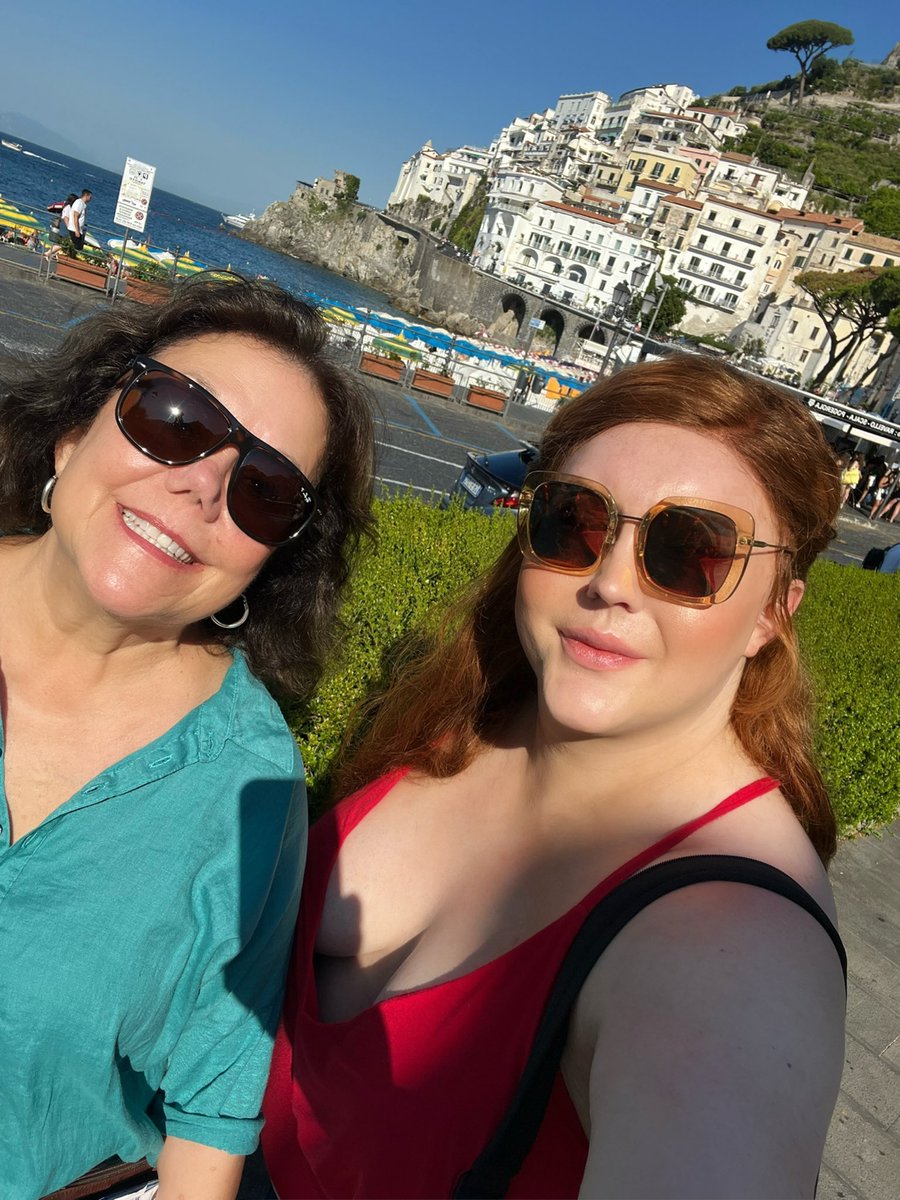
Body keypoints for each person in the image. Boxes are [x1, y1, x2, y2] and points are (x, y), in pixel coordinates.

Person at [262, 355, 847, 1199]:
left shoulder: (735, 955)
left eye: (691, 552)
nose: (609, 583)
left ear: (771, 614)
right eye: (576, 521)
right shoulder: (479, 718)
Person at [0, 275, 374, 1200]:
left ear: (272, 559)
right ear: (74, 431)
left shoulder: (246, 784)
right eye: (174, 418)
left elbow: (211, 1109)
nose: (203, 483)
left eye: (265, 490)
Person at [65, 187, 92, 251]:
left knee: (78, 247)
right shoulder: (79, 203)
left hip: (78, 229)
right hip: (74, 229)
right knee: (77, 248)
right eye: (90, 197)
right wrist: (77, 230)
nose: (91, 199)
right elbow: (75, 216)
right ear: (86, 196)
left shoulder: (83, 204)